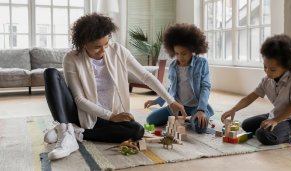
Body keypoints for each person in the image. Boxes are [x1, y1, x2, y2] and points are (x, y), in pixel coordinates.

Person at [43, 13, 187, 160]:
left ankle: (75, 132)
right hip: (82, 114)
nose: (104, 50)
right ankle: (65, 131)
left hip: (109, 118)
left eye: (106, 44)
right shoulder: (71, 58)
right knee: (50, 73)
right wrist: (112, 116)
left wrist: (170, 100)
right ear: (83, 43)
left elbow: (146, 76)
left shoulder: (119, 51)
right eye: (97, 47)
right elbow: (79, 99)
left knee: (137, 130)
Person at [221, 34, 291, 145]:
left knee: (263, 135)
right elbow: (251, 97)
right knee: (246, 125)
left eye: (273, 69)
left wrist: (275, 120)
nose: (267, 72)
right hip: (275, 114)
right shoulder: (266, 80)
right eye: (265, 67)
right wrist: (233, 110)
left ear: (286, 66)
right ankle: (276, 126)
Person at [144, 23, 214, 134]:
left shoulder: (201, 63)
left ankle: (202, 114)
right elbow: (171, 88)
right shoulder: (173, 66)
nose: (180, 57)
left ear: (192, 50)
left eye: (184, 53)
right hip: (178, 105)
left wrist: (201, 110)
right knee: (150, 120)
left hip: (196, 106)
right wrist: (157, 100)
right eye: (177, 53)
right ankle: (185, 117)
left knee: (200, 128)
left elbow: (205, 87)